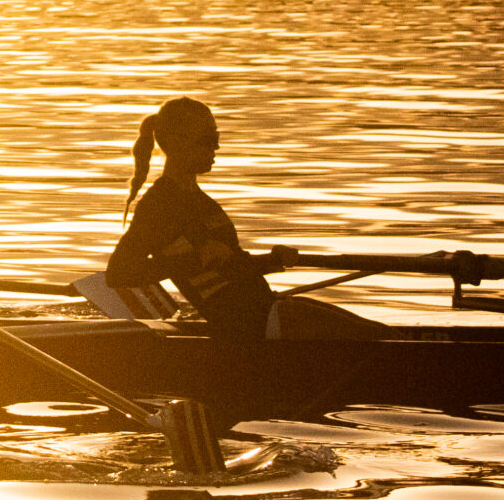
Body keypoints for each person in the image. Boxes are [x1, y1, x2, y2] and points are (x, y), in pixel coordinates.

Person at [105, 96, 379, 340]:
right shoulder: (158, 205)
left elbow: (232, 264)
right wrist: (193, 259)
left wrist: (273, 260)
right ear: (177, 142)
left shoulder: (202, 202)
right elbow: (118, 274)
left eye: (217, 137)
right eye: (208, 140)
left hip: (265, 309)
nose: (217, 148)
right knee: (374, 338)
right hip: (243, 325)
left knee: (381, 333)